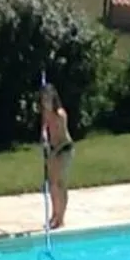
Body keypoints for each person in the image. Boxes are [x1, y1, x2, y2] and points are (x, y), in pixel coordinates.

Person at [40, 84, 73, 231]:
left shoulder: (60, 114)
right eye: (43, 98)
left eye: (47, 97)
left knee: (60, 184)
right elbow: (45, 126)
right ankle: (54, 214)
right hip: (53, 149)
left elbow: (64, 139)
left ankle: (61, 218)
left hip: (64, 149)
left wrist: (54, 152)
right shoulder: (46, 113)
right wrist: (44, 135)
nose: (45, 101)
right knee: (52, 184)